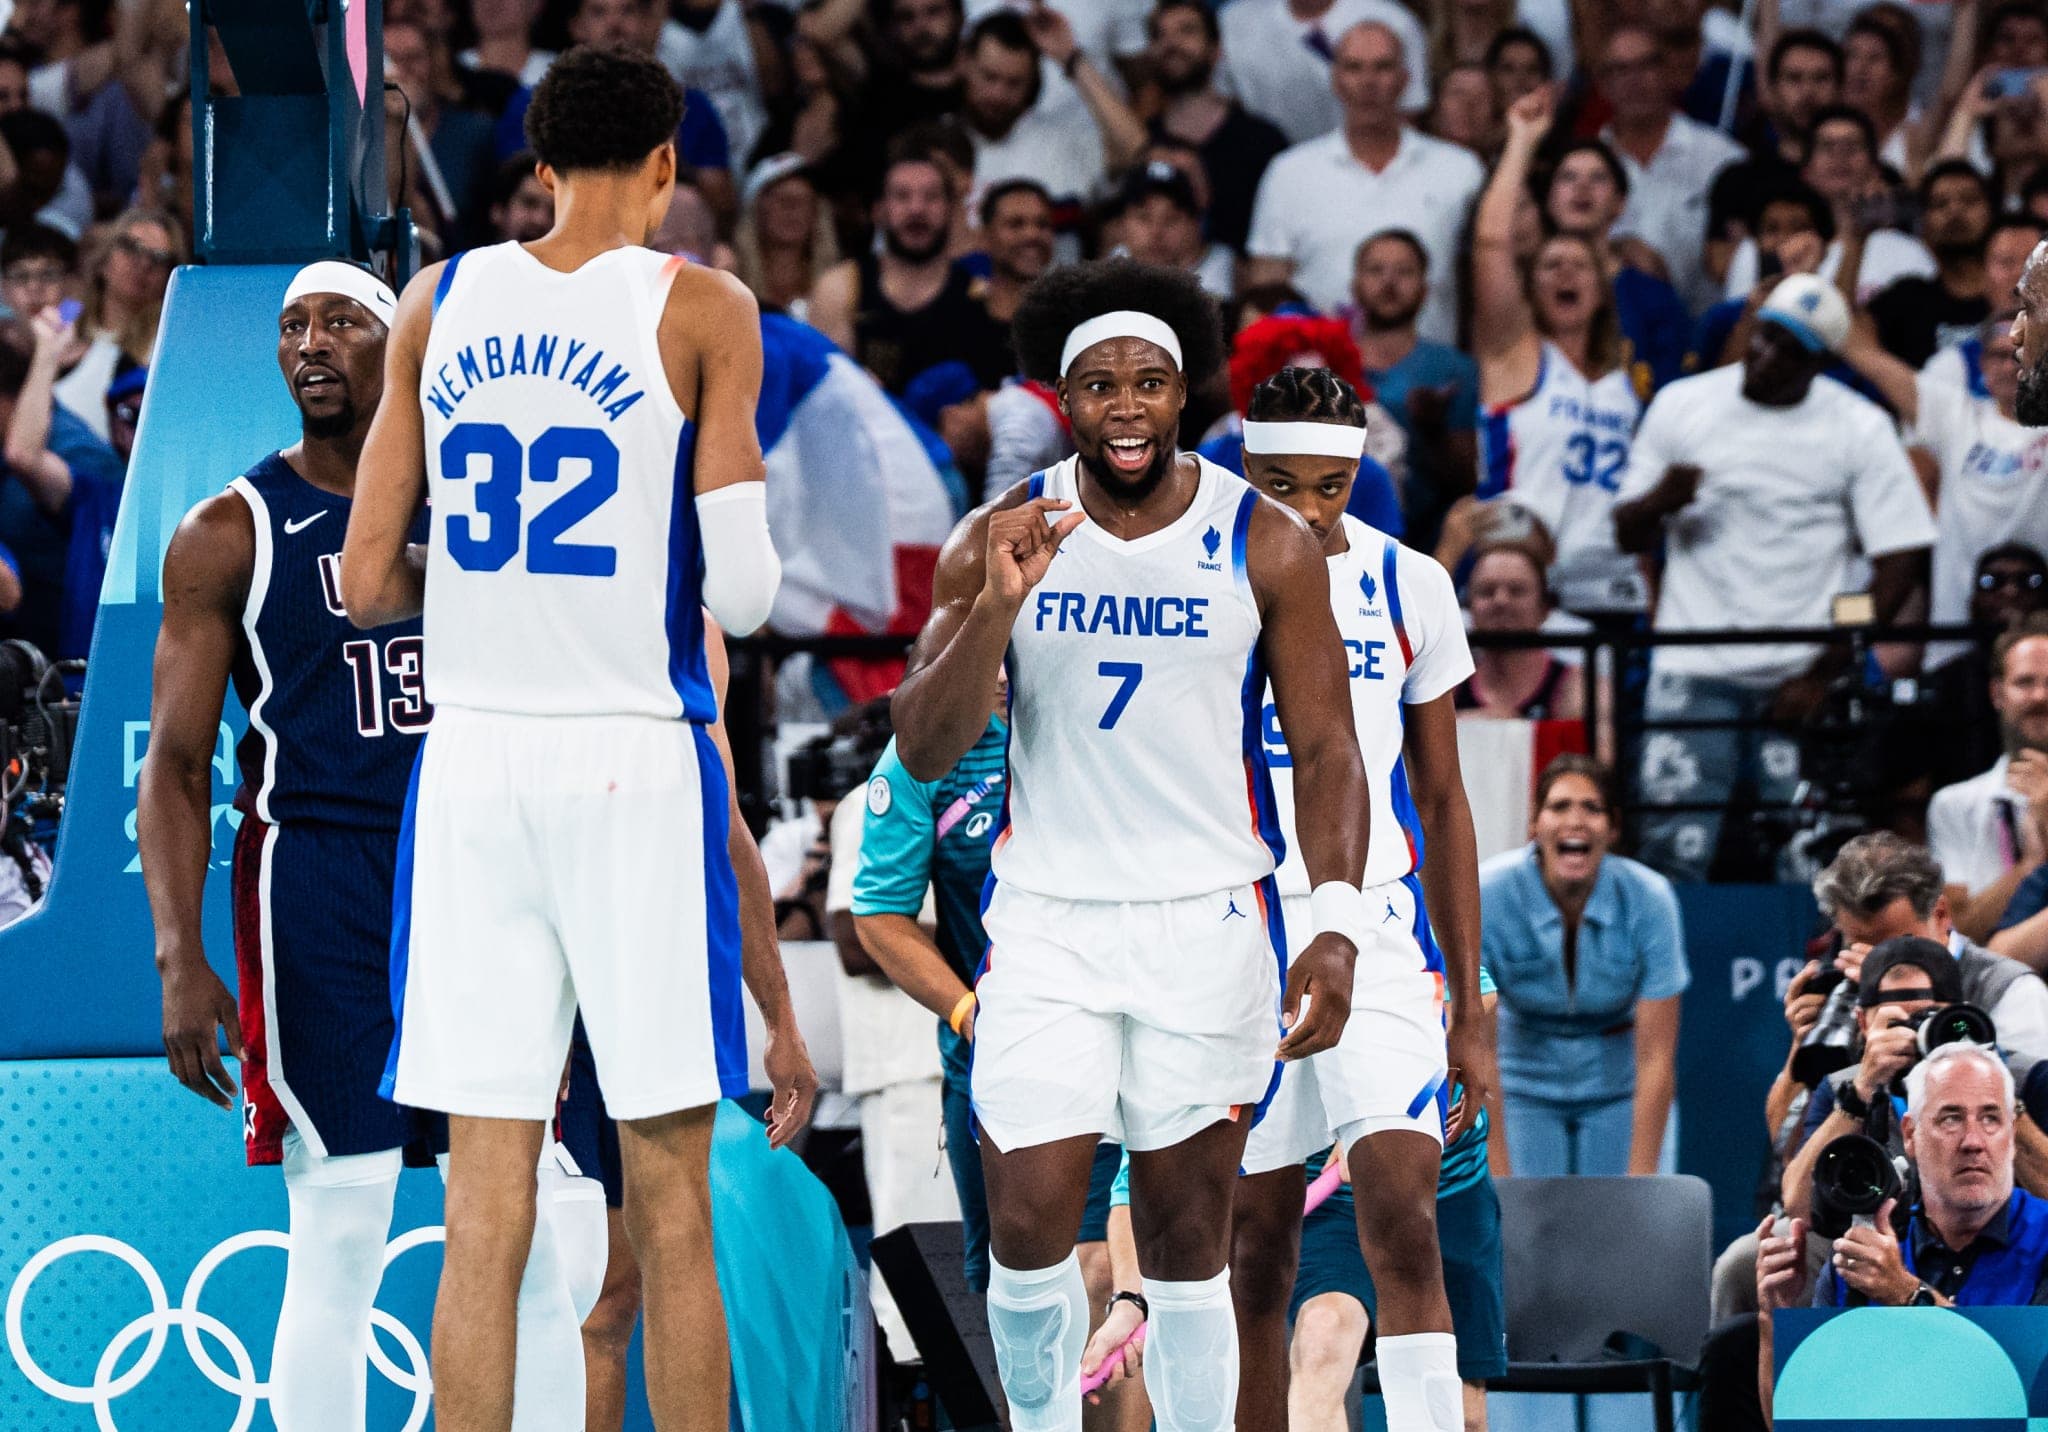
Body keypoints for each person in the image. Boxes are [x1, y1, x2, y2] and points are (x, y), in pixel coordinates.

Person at [338, 46, 798, 1430]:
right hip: (626, 760)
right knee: (666, 1193)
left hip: (473, 764)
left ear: (537, 163)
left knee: (484, 1201)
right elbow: (750, 594)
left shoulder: (440, 295)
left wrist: (490, 588)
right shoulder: (702, 304)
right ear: (669, 164)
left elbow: (364, 586)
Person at [889, 259, 1378, 1432]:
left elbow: (1328, 753)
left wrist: (1336, 927)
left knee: (1182, 1247)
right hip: (1050, 923)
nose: (1124, 405)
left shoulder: (1263, 542)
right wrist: (998, 608)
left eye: (1148, 383)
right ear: (1063, 402)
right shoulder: (995, 533)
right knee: (1023, 1228)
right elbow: (919, 741)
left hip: (1203, 922)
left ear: (1183, 397)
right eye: (1098, 385)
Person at [135, 262, 594, 1432]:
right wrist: (180, 959)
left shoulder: (487, 509)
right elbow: (175, 767)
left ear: (408, 345)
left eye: (343, 319)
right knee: (340, 1222)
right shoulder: (228, 530)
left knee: (539, 1228)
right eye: (294, 325)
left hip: (489, 874)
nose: (312, 342)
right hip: (325, 883)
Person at [1213, 366, 1497, 1432]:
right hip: (1238, 925)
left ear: (1357, 473)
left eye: (1327, 486)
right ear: (1243, 470)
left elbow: (1441, 796)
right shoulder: (1204, 581)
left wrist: (1467, 1009)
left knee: (1402, 1222)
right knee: (1254, 1249)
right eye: (1277, 483)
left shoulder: (1408, 581)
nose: (1303, 508)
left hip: (1375, 928)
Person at [850, 676, 1146, 1429]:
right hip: (995, 1069)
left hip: (1128, 1048)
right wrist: (966, 1009)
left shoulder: (1116, 715)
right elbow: (879, 914)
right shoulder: (930, 753)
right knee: (1021, 1300)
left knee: (1107, 1274)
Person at [568, 616, 820, 1432]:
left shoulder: (694, 624)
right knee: (557, 1283)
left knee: (631, 1282)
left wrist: (780, 1016)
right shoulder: (498, 589)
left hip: (655, 964)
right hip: (536, 971)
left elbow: (726, 824)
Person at [1615, 274, 1935, 882]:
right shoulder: (1685, 403)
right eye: (1765, 337)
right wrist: (1662, 498)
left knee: (1810, 861)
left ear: (1819, 364)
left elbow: (1900, 558)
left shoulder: (1858, 425)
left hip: (1801, 677)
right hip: (1692, 669)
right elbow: (1625, 532)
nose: (1766, 357)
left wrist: (1829, 664)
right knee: (1669, 851)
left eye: (1791, 351)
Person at [1759, 1042, 2048, 1408]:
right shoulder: (1864, 1259)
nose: (1973, 1141)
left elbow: (2028, 1402)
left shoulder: (2044, 1241)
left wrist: (1909, 1298)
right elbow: (1803, 1414)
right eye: (1951, 1118)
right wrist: (1773, 1317)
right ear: (1909, 1135)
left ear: (2011, 1138)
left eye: (1991, 1118)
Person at [1779, 833, 2048, 1220]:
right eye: (1861, 946)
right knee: (1760, 1254)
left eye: (1899, 943)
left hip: (1992, 1212)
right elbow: (1785, 1154)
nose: (1882, 963)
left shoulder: (2009, 991)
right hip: (1870, 1203)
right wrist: (1807, 1047)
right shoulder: (1843, 998)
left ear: (1940, 916)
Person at [1470, 87, 1644, 621]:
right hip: (1521, 587)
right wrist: (1521, 140)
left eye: (1579, 265)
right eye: (1551, 265)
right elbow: (1491, 245)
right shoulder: (1515, 354)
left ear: (1601, 287)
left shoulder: (1623, 382)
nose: (1566, 273)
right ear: (1530, 286)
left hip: (1612, 588)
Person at [1480, 754, 1687, 1176]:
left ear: (1612, 830)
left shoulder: (1652, 898)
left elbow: (1656, 1058)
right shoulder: (1488, 894)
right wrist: (1497, 1182)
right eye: (1558, 806)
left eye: (1591, 808)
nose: (1575, 821)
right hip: (1517, 1088)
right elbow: (1478, 1047)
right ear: (1534, 827)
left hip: (1620, 1087)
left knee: (1626, 1227)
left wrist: (1640, 1186)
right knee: (1520, 1229)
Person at [1244, 21, 1485, 343]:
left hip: (1434, 380)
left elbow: (1484, 287)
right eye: (1354, 68)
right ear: (1336, 80)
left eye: (1382, 67)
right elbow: (1266, 292)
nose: (1368, 82)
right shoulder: (1289, 172)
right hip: (1318, 378)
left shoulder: (1460, 170)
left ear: (1404, 80)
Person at [1842, 309, 2048, 673]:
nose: (2014, 367)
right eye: (2002, 355)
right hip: (1955, 644)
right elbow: (1863, 353)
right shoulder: (1957, 416)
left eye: (2029, 354)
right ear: (1983, 365)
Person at [809, 140, 1012, 392]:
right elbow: (820, 393)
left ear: (951, 210)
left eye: (931, 197)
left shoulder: (982, 295)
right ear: (878, 211)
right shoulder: (841, 288)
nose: (917, 209)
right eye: (902, 196)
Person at [0, 307, 124, 661]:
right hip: (31, 654)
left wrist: (46, 354)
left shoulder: (82, 457)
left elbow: (23, 456)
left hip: (85, 656)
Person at [1596, 24, 1746, 314]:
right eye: (1620, 69)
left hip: (1703, 336)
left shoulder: (1723, 159)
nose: (1635, 80)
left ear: (1669, 72)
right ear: (1602, 84)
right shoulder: (1582, 166)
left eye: (1646, 65)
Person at [1347, 228, 1479, 554]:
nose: (1389, 282)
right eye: (1376, 270)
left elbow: (1469, 480)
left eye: (1404, 272)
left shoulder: (1453, 369)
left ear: (1425, 289)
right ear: (1354, 286)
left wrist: (1433, 431)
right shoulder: (1323, 361)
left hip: (1427, 544)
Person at [1925, 621, 2048, 940]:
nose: (2040, 696)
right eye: (2025, 682)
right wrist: (2032, 864)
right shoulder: (1954, 805)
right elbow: (1957, 932)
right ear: (1997, 693)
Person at [1144, 0, 1289, 257]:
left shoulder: (1262, 140)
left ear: (1217, 48)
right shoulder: (1143, 141)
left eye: (1186, 31)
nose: (1171, 43)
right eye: (1159, 35)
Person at [1217, 0, 1430, 145]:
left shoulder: (1393, 21)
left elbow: (1409, 112)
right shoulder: (1232, 21)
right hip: (1265, 169)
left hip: (1367, 167)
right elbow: (1220, 105)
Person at [53, 207, 178, 443]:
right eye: (131, 248)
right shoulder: (69, 313)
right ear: (103, 259)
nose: (143, 264)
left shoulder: (166, 342)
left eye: (159, 258)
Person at [1453, 539, 1597, 738]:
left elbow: (1597, 764)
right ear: (1469, 606)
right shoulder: (1448, 687)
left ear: (1545, 607)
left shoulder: (1576, 687)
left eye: (1517, 591)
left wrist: (1512, 729)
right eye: (1487, 591)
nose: (1501, 601)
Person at [1865, 161, 1997, 368]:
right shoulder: (1906, 299)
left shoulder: (2022, 297)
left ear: (1992, 212)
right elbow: (1846, 334)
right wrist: (1853, 238)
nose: (1955, 211)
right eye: (1940, 204)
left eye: (1969, 201)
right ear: (1923, 223)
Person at [732, 153, 838, 320]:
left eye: (803, 200)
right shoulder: (729, 274)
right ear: (756, 210)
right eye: (782, 200)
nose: (792, 210)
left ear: (817, 214)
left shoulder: (841, 284)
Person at [1112, 161, 1233, 300]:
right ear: (1121, 224)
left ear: (1194, 225)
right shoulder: (1110, 269)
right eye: (1143, 217)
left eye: (1171, 219)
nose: (1156, 232)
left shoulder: (1224, 270)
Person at [483, 150, 554, 244]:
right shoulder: (467, 258)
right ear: (498, 210)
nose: (540, 220)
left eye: (553, 211)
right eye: (529, 203)